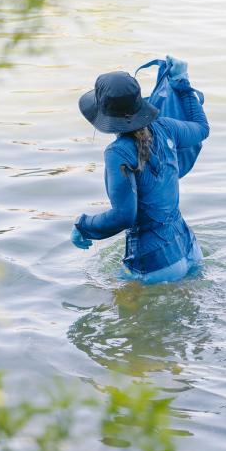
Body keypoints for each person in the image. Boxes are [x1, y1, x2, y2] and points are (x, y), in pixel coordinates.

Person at [71, 57, 210, 284]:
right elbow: (202, 129)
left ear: (104, 116)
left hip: (152, 262)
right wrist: (182, 84)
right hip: (189, 247)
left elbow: (124, 216)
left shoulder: (118, 153)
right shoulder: (167, 127)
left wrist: (83, 226)